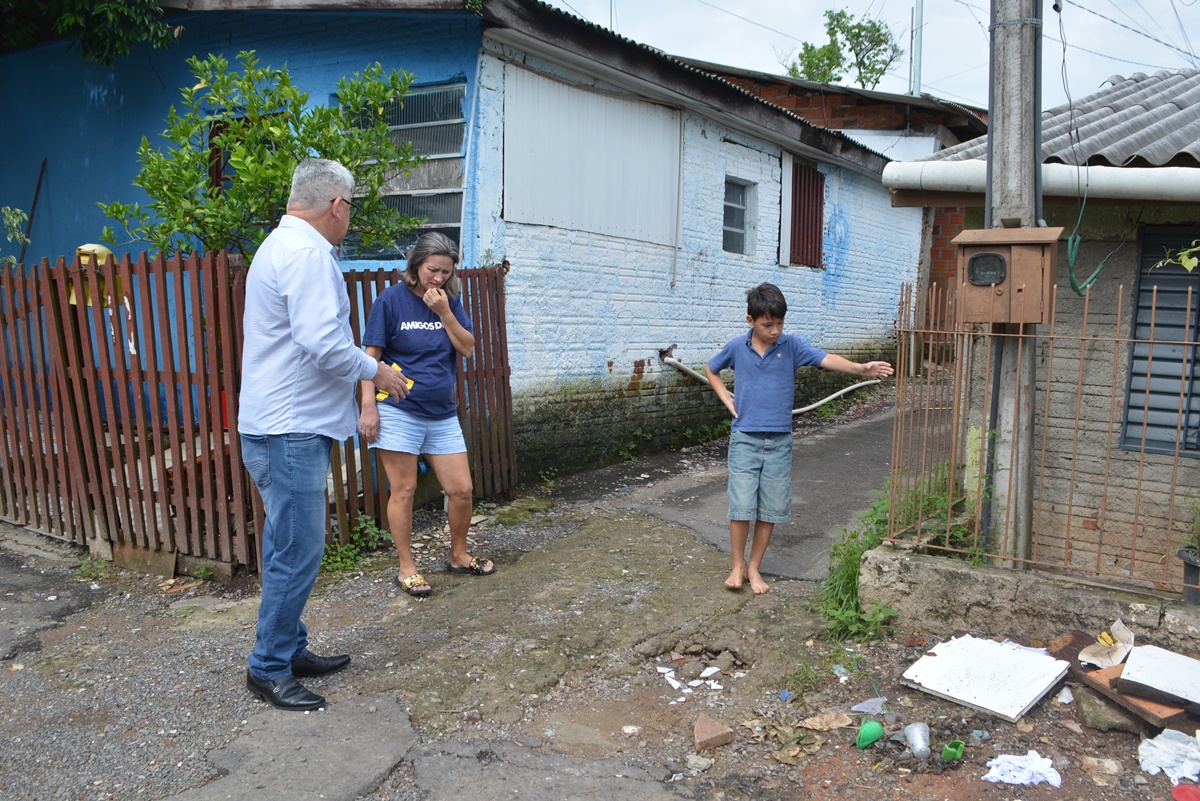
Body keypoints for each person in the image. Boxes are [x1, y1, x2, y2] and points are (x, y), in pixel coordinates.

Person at [238, 158, 410, 711]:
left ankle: (287, 649)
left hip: (278, 425)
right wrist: (376, 372)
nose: (348, 217)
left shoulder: (279, 246)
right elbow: (321, 342)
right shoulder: (308, 254)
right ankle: (268, 668)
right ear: (337, 205)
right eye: (350, 208)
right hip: (288, 428)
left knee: (288, 545)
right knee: (297, 550)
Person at [704, 283, 894, 596]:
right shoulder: (738, 347)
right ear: (751, 320)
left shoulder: (791, 346)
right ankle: (737, 565)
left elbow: (825, 358)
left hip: (778, 441)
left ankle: (754, 566)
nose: (775, 331)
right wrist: (725, 396)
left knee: (771, 508)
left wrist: (860, 369)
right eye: (768, 325)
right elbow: (712, 369)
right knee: (740, 505)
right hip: (745, 439)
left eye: (780, 324)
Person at [358, 232, 493, 598]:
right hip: (399, 409)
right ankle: (406, 567)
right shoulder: (391, 300)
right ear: (416, 266)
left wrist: (444, 312)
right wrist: (368, 406)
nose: (438, 278)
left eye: (446, 272)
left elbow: (467, 348)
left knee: (461, 490)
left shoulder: (450, 302)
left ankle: (458, 555)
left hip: (441, 412)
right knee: (404, 489)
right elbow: (370, 357)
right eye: (433, 270)